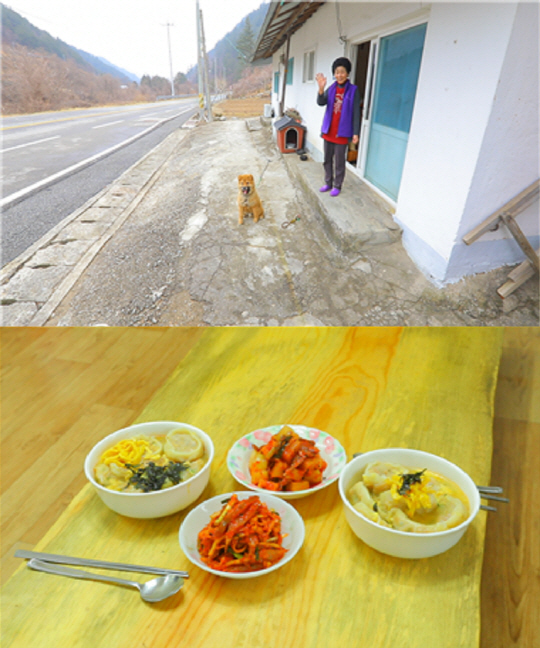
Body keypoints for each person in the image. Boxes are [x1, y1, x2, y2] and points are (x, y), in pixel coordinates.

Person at [316, 57, 360, 197]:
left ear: (347, 73)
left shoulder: (353, 90)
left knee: (339, 162)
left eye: (342, 72)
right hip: (329, 131)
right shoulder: (331, 88)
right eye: (337, 72)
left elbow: (356, 112)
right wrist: (321, 89)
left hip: (342, 133)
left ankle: (337, 185)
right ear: (334, 74)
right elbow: (321, 102)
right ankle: (328, 183)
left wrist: (356, 132)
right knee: (327, 160)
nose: (339, 75)